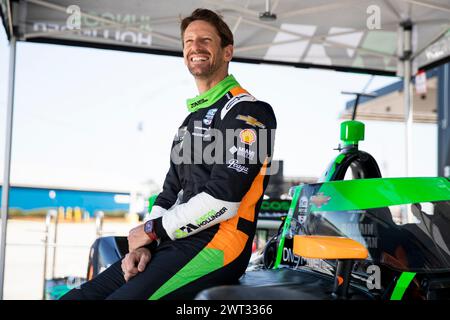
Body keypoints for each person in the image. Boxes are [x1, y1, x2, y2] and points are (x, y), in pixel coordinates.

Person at [61, 8, 277, 300]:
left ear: (227, 52)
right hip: (174, 239)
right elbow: (169, 193)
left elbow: (223, 200)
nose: (195, 47)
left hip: (221, 244)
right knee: (79, 297)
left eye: (205, 40)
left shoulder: (251, 111)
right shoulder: (189, 122)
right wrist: (144, 247)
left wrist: (151, 230)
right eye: (188, 42)